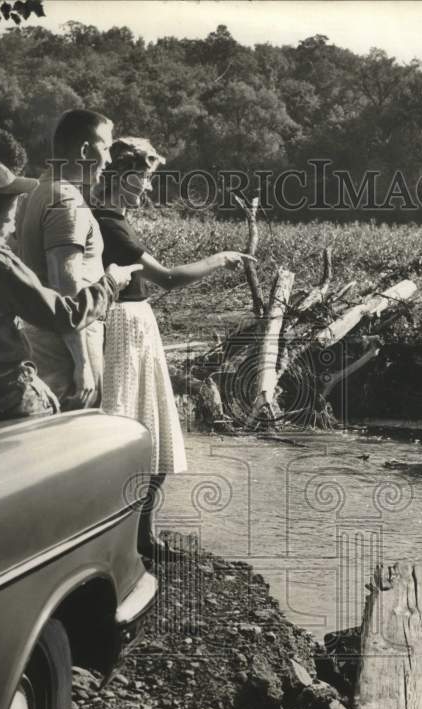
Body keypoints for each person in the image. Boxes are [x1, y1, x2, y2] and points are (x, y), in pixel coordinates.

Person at [92, 137, 254, 556]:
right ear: (122, 177)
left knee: (152, 435)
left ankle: (141, 536)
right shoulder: (108, 219)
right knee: (138, 432)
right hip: (125, 327)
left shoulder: (114, 219)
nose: (148, 189)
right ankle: (132, 539)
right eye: (144, 179)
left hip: (135, 324)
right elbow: (168, 277)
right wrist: (219, 259)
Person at [0, 156, 140, 423]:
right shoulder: (0, 264)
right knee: (62, 418)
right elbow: (64, 316)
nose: (12, 230)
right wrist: (110, 283)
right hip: (3, 393)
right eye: (9, 219)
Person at [13, 109, 112, 411]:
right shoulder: (67, 201)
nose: (109, 159)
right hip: (65, 350)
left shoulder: (37, 191)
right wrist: (82, 364)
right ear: (85, 150)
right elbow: (66, 289)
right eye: (106, 147)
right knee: (76, 440)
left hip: (39, 339)